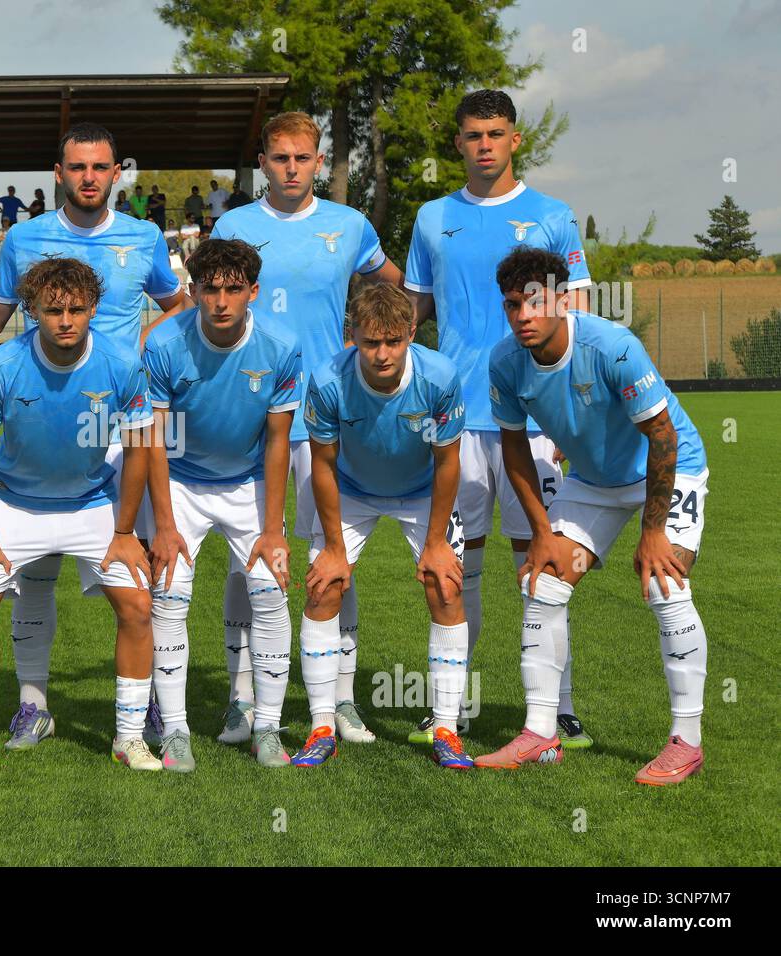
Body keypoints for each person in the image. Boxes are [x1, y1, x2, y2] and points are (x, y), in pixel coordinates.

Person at [0, 121, 188, 749]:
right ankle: (34, 706)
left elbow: (175, 302)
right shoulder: (24, 238)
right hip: (42, 413)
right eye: (77, 168)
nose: (89, 178)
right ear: (59, 172)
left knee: (140, 570)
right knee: (36, 574)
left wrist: (144, 347)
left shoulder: (145, 236)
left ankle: (150, 705)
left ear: (115, 173)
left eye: (100, 168)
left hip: (123, 418)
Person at [477, 246, 709, 787]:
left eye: (535, 303)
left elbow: (662, 437)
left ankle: (687, 741)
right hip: (592, 483)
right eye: (513, 305)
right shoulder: (505, 362)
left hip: (669, 469)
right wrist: (539, 533)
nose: (524, 316)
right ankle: (540, 732)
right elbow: (514, 450)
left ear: (562, 299)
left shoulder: (611, 346)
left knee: (665, 585)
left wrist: (653, 532)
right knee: (543, 582)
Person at [404, 89, 594, 747]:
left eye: (496, 133)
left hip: (535, 423)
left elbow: (579, 324)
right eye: (473, 135)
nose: (484, 144)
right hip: (454, 422)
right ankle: (447, 711)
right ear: (457, 144)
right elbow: (412, 315)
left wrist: (573, 419)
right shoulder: (431, 219)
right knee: (456, 568)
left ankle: (557, 710)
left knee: (542, 564)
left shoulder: (553, 217)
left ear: (516, 140)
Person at [210, 111, 404, 753]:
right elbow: (210, 297)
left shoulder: (350, 226)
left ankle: (341, 697)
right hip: (254, 412)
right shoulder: (234, 226)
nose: (291, 168)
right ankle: (241, 701)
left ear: (318, 162)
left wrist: (383, 332)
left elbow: (393, 286)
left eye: (303, 157)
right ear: (263, 161)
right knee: (248, 560)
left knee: (331, 557)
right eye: (280, 157)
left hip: (325, 416)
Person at [0, 256, 158, 775]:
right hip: (12, 501)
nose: (65, 320)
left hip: (91, 501)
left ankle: (130, 738)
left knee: (137, 604)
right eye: (52, 310)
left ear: (93, 308)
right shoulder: (2, 364)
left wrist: (124, 532)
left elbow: (138, 448)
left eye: (75, 309)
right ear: (32, 311)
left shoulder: (120, 362)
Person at [143, 238, 300, 772]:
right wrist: (164, 524)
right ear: (194, 291)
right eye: (210, 289)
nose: (222, 301)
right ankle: (176, 732)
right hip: (181, 484)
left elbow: (278, 440)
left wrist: (274, 528)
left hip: (248, 483)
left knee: (270, 593)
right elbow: (153, 439)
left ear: (253, 292)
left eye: (235, 290)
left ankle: (269, 729)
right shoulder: (164, 344)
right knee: (168, 598)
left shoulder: (281, 347)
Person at [302, 282, 472, 770]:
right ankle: (320, 727)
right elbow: (323, 466)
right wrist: (334, 547)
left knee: (446, 586)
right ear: (350, 333)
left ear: (412, 333)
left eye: (393, 341)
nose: (381, 354)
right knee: (323, 587)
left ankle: (446, 729)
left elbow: (447, 464)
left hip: (421, 491)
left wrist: (437, 542)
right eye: (370, 342)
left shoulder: (439, 377)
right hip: (352, 490)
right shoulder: (328, 380)